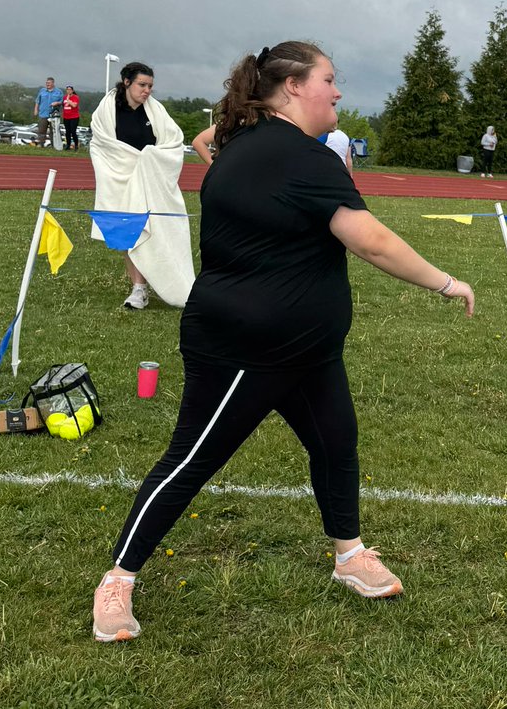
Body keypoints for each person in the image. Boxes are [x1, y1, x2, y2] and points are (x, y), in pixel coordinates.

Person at [91, 41, 475, 643]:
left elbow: (223, 157)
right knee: (192, 460)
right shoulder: (304, 160)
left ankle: (349, 554)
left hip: (306, 349)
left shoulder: (240, 143)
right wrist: (446, 282)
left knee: (335, 442)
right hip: (245, 347)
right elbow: (370, 241)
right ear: (293, 86)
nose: (339, 91)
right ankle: (118, 580)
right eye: (329, 78)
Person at [89, 61, 194, 310]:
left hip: (150, 181)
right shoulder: (107, 109)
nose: (146, 90)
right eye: (142, 85)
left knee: (153, 230)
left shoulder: (155, 111)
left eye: (150, 86)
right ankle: (139, 289)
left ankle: (158, 282)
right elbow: (101, 144)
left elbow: (173, 141)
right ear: (127, 82)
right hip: (119, 180)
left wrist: (149, 157)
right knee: (127, 233)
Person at [33, 76, 63, 148]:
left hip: (53, 115)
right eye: (46, 83)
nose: (47, 84)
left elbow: (62, 102)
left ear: (53, 83)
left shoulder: (59, 92)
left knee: (53, 131)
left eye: (49, 83)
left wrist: (57, 103)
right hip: (43, 114)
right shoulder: (42, 91)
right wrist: (36, 110)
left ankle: (54, 146)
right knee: (41, 130)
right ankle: (41, 144)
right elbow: (37, 101)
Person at [61, 86, 81, 151]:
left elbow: (74, 105)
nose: (68, 91)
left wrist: (69, 100)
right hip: (66, 117)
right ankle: (68, 145)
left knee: (73, 131)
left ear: (72, 90)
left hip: (74, 117)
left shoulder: (75, 97)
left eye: (70, 90)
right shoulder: (64, 97)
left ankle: (76, 145)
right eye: (67, 90)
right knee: (67, 132)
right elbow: (64, 105)